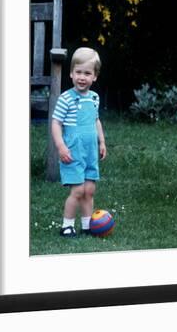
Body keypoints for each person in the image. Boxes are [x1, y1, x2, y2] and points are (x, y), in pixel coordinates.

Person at [51, 47, 107, 237]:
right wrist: (60, 146)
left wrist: (102, 142)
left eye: (87, 73)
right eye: (78, 72)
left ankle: (87, 225)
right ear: (71, 73)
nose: (82, 77)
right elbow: (56, 123)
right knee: (78, 190)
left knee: (89, 189)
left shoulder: (94, 98)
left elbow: (95, 120)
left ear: (95, 77)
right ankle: (67, 225)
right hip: (72, 151)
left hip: (90, 152)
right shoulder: (66, 98)